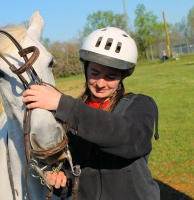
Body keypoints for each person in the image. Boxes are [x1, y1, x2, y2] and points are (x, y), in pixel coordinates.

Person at [22, 27, 160, 199]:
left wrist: (63, 104)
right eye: (95, 73)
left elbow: (128, 138)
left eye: (111, 76)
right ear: (86, 68)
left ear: (122, 76)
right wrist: (62, 182)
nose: (101, 83)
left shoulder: (139, 105)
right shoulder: (71, 114)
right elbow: (75, 174)